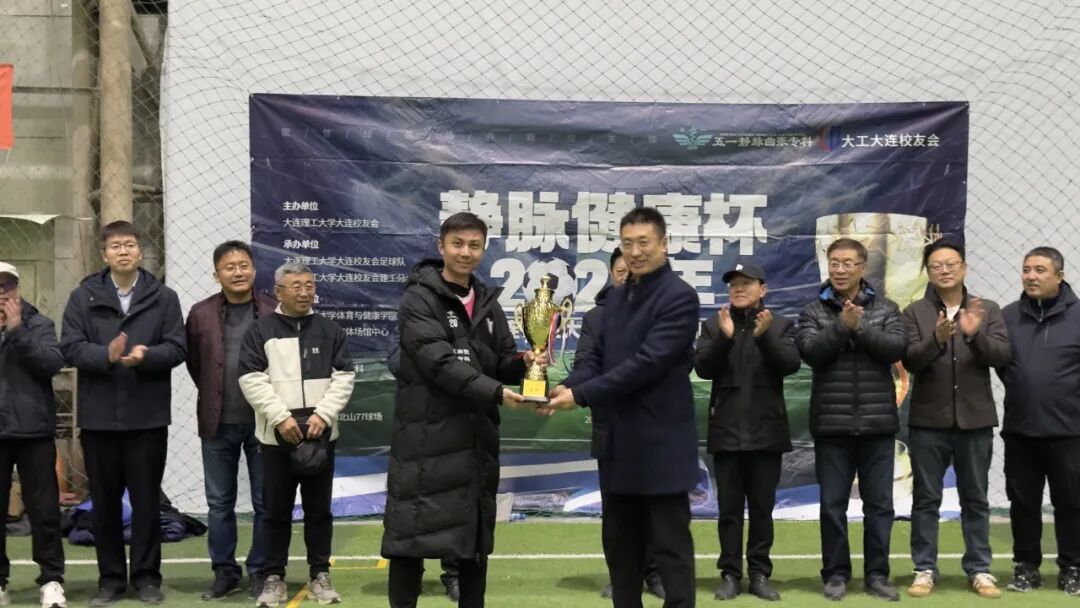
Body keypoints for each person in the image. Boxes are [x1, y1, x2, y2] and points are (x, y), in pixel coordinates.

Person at [381, 211, 542, 608]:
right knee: (409, 545)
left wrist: (524, 363)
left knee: (473, 546)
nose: (465, 252)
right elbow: (438, 363)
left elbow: (500, 359)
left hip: (476, 444)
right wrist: (495, 393)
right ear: (442, 246)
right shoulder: (418, 298)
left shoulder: (486, 301)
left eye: (474, 245)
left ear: (483, 250)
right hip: (425, 443)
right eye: (457, 244)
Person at [548, 207, 700, 608]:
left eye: (643, 242)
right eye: (627, 243)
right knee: (621, 549)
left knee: (670, 550)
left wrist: (581, 396)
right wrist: (564, 387)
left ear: (664, 244)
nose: (635, 252)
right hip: (618, 444)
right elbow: (596, 360)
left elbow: (646, 364)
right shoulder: (614, 299)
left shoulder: (680, 297)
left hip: (663, 445)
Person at [60, 220, 186, 606]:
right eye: (115, 246)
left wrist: (148, 356)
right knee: (105, 505)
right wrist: (106, 355)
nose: (124, 251)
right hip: (99, 419)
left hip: (147, 418)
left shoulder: (163, 297)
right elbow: (70, 347)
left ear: (140, 251)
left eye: (130, 244)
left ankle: (147, 578)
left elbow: (177, 347)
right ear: (104, 254)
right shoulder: (83, 296)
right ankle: (111, 580)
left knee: (147, 503)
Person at [795, 237, 906, 602]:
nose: (840, 270)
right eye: (834, 263)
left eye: (847, 263)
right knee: (832, 506)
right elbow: (811, 352)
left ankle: (877, 574)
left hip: (877, 424)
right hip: (832, 424)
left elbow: (896, 349)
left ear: (863, 267)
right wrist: (841, 326)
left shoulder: (887, 309)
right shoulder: (813, 312)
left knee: (880, 506)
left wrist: (860, 327)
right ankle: (836, 574)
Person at [238, 262, 355, 608]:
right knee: (275, 512)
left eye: (309, 285)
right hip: (276, 440)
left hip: (321, 438)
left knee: (319, 511)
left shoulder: (330, 330)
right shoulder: (260, 331)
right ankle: (273, 578)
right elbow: (251, 379)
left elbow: (344, 376)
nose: (304, 292)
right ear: (278, 292)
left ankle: (320, 575)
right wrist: (280, 418)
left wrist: (323, 414)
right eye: (296, 286)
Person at [900, 239, 1009, 599]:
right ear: (927, 272)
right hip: (928, 422)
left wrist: (974, 335)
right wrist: (935, 339)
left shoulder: (987, 309)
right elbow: (910, 360)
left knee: (975, 498)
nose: (944, 270)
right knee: (926, 499)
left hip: (975, 421)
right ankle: (924, 568)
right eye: (936, 266)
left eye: (950, 264)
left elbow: (1001, 356)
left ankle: (979, 569)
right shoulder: (915, 313)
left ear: (963, 267)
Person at [693, 261, 800, 602]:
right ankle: (729, 573)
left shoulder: (779, 324)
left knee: (762, 510)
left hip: (767, 432)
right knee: (728, 511)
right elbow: (703, 368)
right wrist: (725, 339)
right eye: (733, 284)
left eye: (746, 283)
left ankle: (759, 573)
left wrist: (765, 336)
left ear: (762, 289)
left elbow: (790, 364)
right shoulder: (715, 324)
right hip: (726, 431)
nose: (738, 289)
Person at [185, 241, 276, 600]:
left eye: (243, 265)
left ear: (254, 269)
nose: (238, 272)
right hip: (217, 423)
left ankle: (261, 570)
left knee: (265, 503)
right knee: (219, 503)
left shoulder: (273, 310)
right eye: (229, 267)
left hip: (265, 423)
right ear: (216, 274)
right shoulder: (200, 314)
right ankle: (224, 572)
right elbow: (196, 365)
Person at [576, 248, 664, 600]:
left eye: (634, 269)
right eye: (620, 271)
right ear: (611, 275)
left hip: (655, 427)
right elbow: (585, 364)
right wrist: (570, 390)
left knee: (655, 507)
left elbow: (680, 361)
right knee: (617, 512)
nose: (627, 276)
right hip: (612, 428)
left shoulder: (663, 312)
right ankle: (621, 574)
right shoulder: (596, 318)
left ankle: (655, 573)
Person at [997, 246, 1080, 596]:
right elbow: (1002, 365)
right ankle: (1026, 567)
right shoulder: (1006, 317)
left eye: (1040, 270)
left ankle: (1073, 568)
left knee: (1072, 503)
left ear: (1059, 276)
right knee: (1023, 504)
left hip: (1070, 432)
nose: (1031, 276)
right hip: (1021, 430)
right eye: (1027, 269)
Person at [0, 262, 67, 608]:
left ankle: (51, 580)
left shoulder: (39, 324)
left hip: (33, 431)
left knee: (45, 511)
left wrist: (16, 331)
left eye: (7, 285)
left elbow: (51, 364)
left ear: (18, 288)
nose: (2, 292)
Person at [386, 336, 465, 603]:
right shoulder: (410, 321)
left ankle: (454, 574)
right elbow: (396, 363)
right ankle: (412, 573)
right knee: (412, 508)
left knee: (454, 504)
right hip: (416, 427)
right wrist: (433, 360)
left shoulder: (460, 325)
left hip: (457, 424)